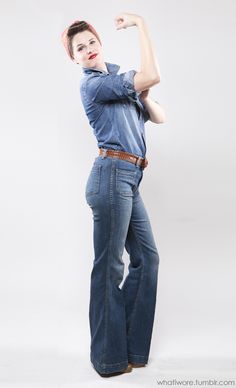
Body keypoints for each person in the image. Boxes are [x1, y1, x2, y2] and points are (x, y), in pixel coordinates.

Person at [61, 12, 166, 378]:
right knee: (109, 267)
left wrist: (144, 94)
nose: (87, 49)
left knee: (147, 259)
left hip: (130, 177)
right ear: (74, 58)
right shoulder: (93, 85)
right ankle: (107, 359)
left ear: (100, 44)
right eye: (79, 48)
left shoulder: (119, 78)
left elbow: (158, 115)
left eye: (91, 42)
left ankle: (132, 349)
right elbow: (152, 74)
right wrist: (141, 23)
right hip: (110, 176)